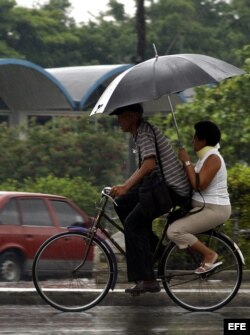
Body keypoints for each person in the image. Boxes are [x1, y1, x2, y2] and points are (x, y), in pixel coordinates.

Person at [110, 103, 190, 294]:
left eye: (120, 116)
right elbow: (145, 170)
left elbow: (149, 165)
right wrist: (124, 188)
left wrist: (126, 186)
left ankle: (148, 279)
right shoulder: (140, 133)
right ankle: (156, 252)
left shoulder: (144, 132)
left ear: (132, 117)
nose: (118, 120)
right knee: (121, 204)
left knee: (133, 224)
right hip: (158, 187)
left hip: (170, 190)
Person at [167, 120, 231, 274]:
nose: (192, 141)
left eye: (195, 138)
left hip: (215, 209)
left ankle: (209, 254)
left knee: (174, 231)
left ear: (203, 141)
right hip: (204, 207)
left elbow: (198, 184)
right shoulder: (206, 158)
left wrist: (187, 160)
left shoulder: (214, 158)